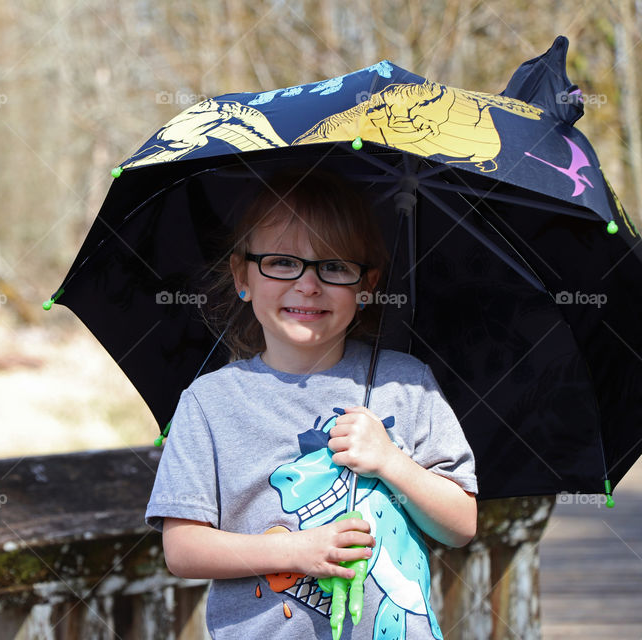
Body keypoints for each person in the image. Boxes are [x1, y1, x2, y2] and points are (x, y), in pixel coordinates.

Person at [144, 170, 478, 639]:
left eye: (335, 267)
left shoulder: (407, 384)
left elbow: (461, 523)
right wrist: (296, 552)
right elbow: (183, 549)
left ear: (367, 285)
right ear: (243, 276)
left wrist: (391, 462)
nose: (308, 285)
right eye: (282, 262)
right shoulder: (210, 403)